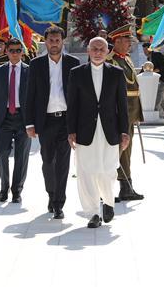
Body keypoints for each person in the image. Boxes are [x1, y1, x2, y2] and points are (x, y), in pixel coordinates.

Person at [66, 37, 129, 228]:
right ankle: (93, 212)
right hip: (85, 130)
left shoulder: (117, 73)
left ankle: (108, 201)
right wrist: (71, 131)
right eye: (94, 48)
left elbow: (122, 106)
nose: (98, 52)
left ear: (107, 51)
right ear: (88, 50)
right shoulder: (76, 74)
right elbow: (72, 105)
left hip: (110, 129)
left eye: (102, 49)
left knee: (108, 169)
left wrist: (124, 132)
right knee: (86, 171)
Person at [23, 25, 80, 219]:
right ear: (45, 42)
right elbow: (29, 95)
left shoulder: (73, 63)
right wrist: (29, 123)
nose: (54, 44)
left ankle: (59, 203)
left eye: (57, 40)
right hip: (45, 121)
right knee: (48, 161)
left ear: (62, 41)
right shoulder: (36, 64)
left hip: (66, 120)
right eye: (51, 41)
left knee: (63, 163)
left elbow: (79, 96)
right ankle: (51, 193)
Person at [0, 38, 31, 203]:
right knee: (2, 153)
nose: (15, 53)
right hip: (3, 119)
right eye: (12, 50)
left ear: (22, 52)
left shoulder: (29, 71)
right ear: (7, 52)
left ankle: (17, 190)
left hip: (24, 119)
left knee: (21, 156)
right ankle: (4, 187)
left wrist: (36, 123)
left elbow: (36, 98)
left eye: (19, 50)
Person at [106, 24, 144, 201]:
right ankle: (104, 188)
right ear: (117, 41)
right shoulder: (110, 61)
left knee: (126, 152)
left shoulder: (126, 59)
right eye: (127, 40)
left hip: (130, 112)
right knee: (114, 152)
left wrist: (136, 113)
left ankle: (126, 187)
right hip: (118, 113)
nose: (130, 44)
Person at [143, 41, 164, 118]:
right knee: (159, 94)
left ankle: (154, 110)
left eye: (145, 50)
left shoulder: (157, 55)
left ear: (150, 49)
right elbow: (147, 68)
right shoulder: (149, 57)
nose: (144, 52)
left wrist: (154, 71)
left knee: (158, 94)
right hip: (156, 79)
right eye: (143, 50)